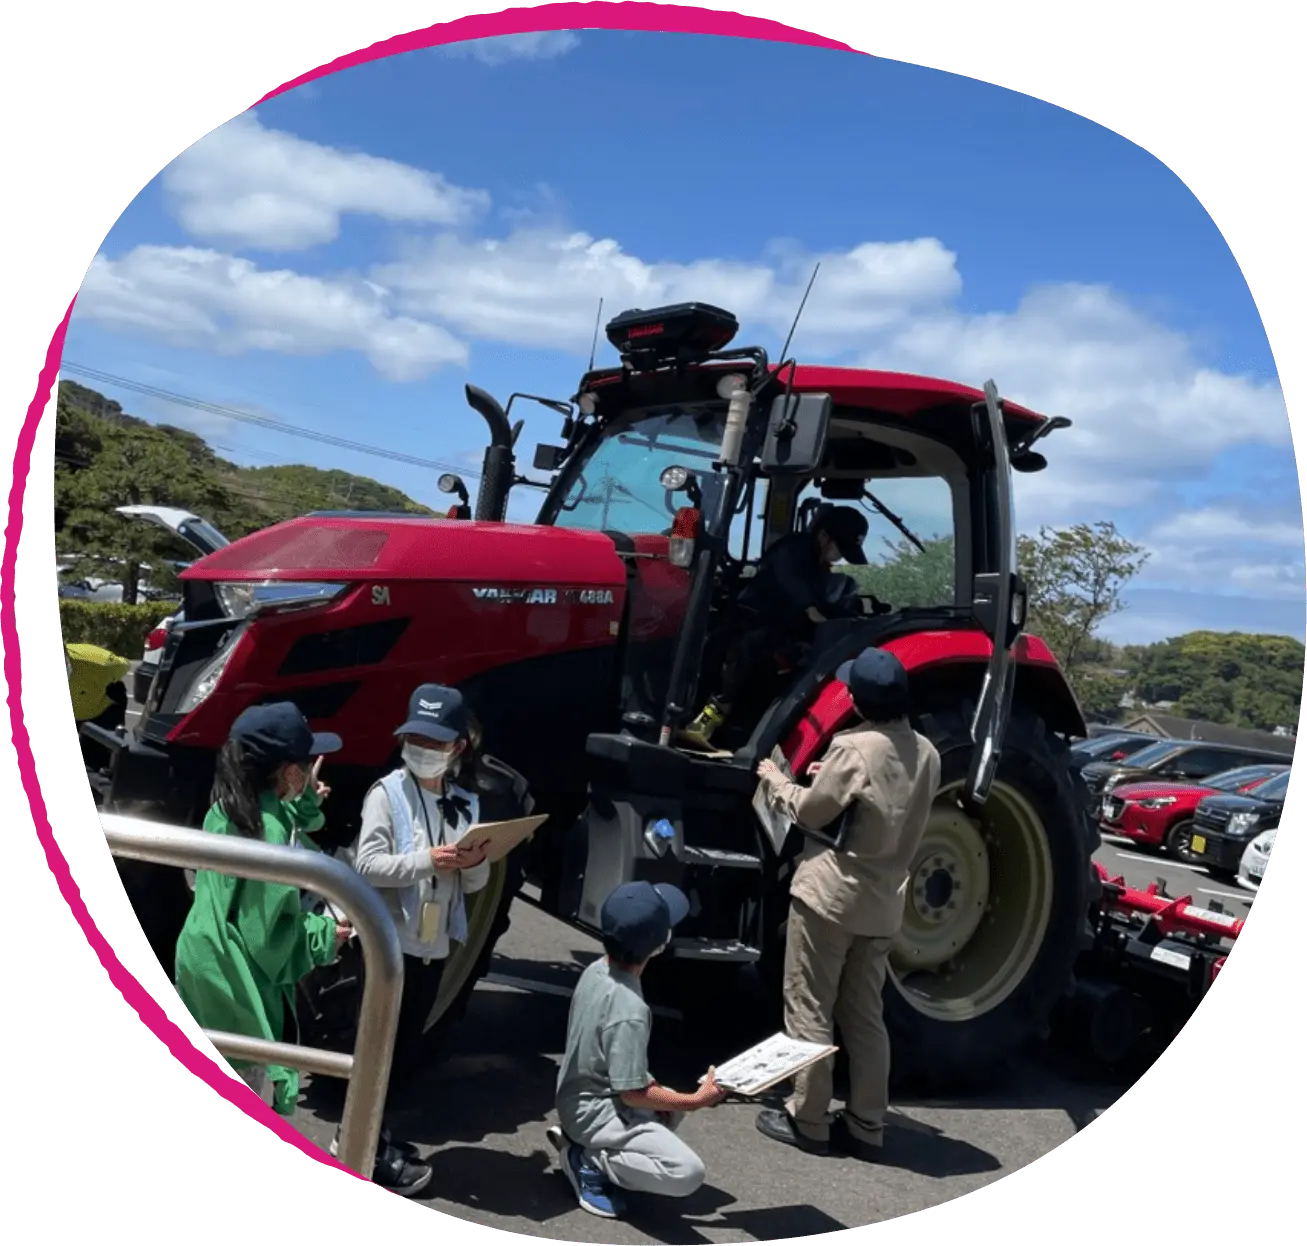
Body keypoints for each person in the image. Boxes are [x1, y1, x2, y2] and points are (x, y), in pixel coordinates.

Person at [752, 646, 941, 1159]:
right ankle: (866, 1125)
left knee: (810, 1008)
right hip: (883, 905)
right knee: (864, 1016)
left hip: (830, 899)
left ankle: (808, 1120)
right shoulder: (928, 752)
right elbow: (885, 795)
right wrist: (830, 774)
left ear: (858, 701)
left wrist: (777, 781)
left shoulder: (852, 746)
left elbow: (812, 812)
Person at [347, 682, 494, 1196]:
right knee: (377, 1050)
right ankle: (363, 1147)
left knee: (406, 1052)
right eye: (416, 739)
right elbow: (367, 866)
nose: (423, 749)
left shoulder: (465, 803)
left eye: (435, 742)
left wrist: (475, 862)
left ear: (458, 747)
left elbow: (473, 885)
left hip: (433, 946)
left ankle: (374, 1136)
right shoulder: (386, 793)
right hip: (387, 945)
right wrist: (428, 861)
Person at [173, 702, 352, 1117]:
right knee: (240, 1088)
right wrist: (324, 936)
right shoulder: (270, 836)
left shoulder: (227, 808)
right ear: (287, 772)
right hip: (234, 981)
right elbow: (268, 940)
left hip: (201, 960)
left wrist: (306, 800)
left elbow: (289, 821)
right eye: (305, 765)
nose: (311, 771)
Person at [547, 881, 728, 1220]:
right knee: (687, 1173)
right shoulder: (630, 1008)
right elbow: (632, 1094)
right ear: (660, 944)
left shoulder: (597, 970)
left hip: (575, 1098)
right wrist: (697, 1100)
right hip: (596, 1114)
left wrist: (665, 1098)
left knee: (667, 1106)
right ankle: (588, 1159)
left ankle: (584, 1140)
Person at [681, 504, 871, 749]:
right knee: (739, 664)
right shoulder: (794, 549)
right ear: (824, 536)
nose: (839, 556)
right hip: (751, 625)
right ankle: (705, 725)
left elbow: (821, 603)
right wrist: (811, 610)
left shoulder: (818, 566)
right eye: (839, 548)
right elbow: (793, 582)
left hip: (779, 631)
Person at [65, 642, 132, 778]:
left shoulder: (97, 661)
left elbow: (124, 665)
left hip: (102, 709)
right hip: (79, 709)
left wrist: (107, 682)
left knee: (97, 759)